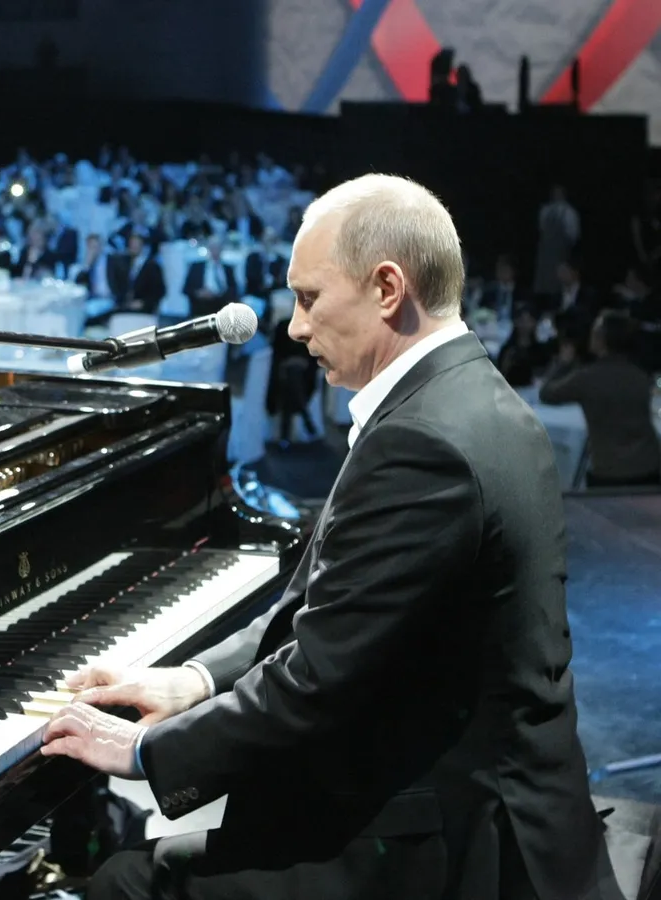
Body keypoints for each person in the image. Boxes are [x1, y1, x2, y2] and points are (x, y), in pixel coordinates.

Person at [40, 174, 620, 900]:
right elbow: (330, 613)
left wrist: (147, 750)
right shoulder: (467, 398)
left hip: (453, 841)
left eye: (309, 297)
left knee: (128, 880)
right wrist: (192, 681)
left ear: (386, 287)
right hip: (483, 795)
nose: (293, 326)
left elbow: (317, 679)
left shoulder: (425, 443)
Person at [540, 311, 661, 489]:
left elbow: (547, 393)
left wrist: (563, 363)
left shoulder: (587, 378)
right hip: (648, 468)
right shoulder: (641, 376)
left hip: (608, 471)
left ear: (602, 339)